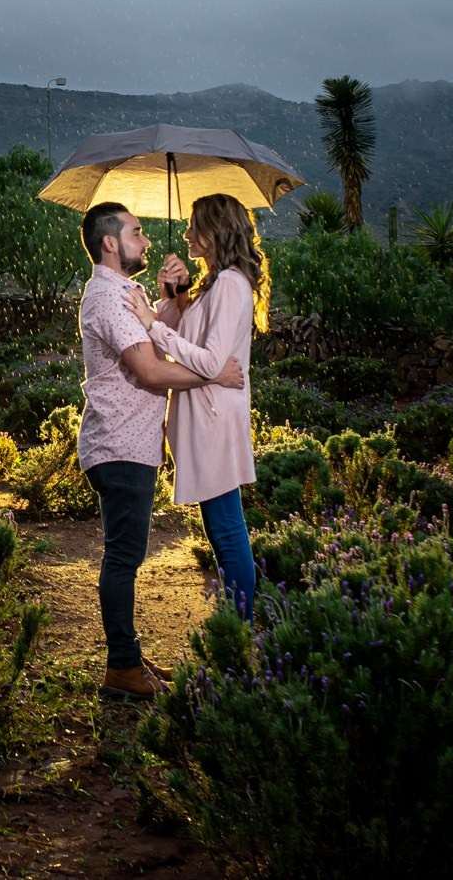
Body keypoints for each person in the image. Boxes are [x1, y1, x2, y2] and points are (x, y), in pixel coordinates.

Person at [77, 201, 243, 702]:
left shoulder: (128, 291)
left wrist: (175, 296)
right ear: (111, 242)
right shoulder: (107, 296)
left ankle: (129, 657)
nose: (146, 241)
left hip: (131, 444)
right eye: (137, 231)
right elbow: (150, 370)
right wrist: (212, 374)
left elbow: (158, 330)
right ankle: (122, 668)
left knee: (126, 554)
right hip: (120, 444)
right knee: (124, 557)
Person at [123, 193, 266, 622]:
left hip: (213, 419)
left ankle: (240, 629)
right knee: (221, 528)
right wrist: (180, 294)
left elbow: (208, 361)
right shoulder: (217, 283)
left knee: (225, 529)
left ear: (214, 231)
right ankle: (236, 625)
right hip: (208, 415)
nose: (186, 234)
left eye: (193, 226)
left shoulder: (230, 285)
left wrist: (153, 325)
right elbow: (200, 339)